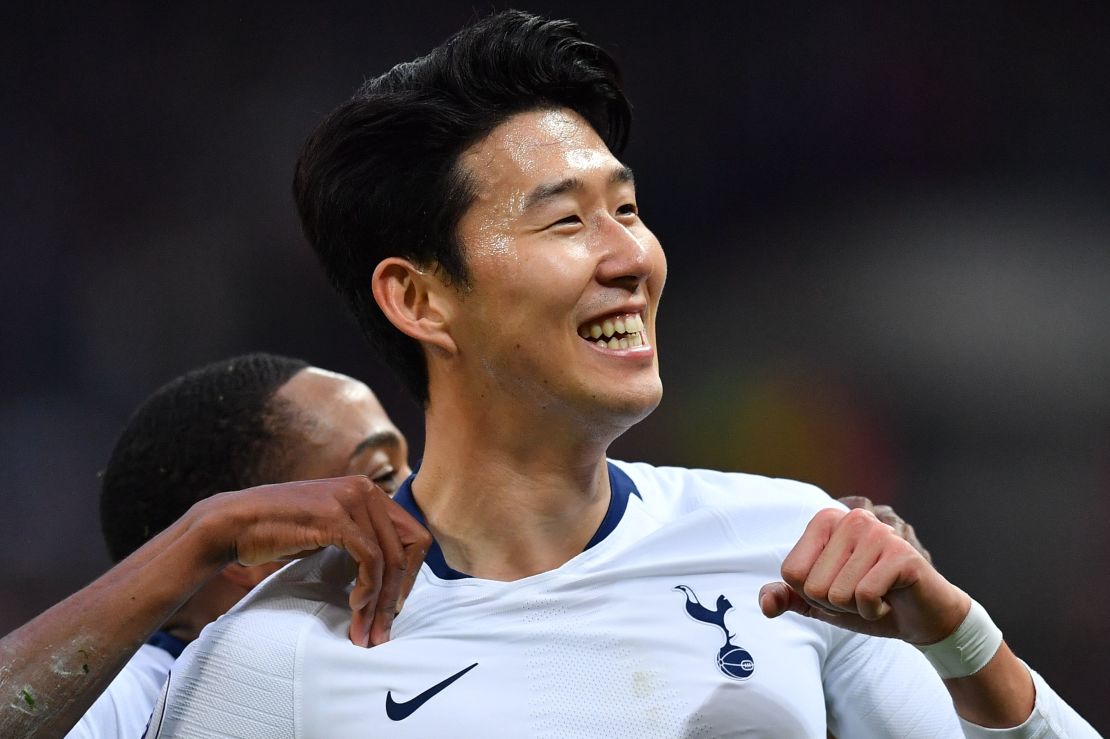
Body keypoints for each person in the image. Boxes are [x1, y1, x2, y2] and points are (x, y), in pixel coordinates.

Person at [143, 12, 1096, 738]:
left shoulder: (794, 555)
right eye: (565, 220)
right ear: (420, 299)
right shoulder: (274, 659)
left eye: (628, 209)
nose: (630, 256)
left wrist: (959, 638)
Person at [0, 353, 427, 739]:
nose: (418, 495)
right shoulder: (135, 700)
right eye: (383, 475)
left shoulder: (435, 656)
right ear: (258, 549)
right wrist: (208, 535)